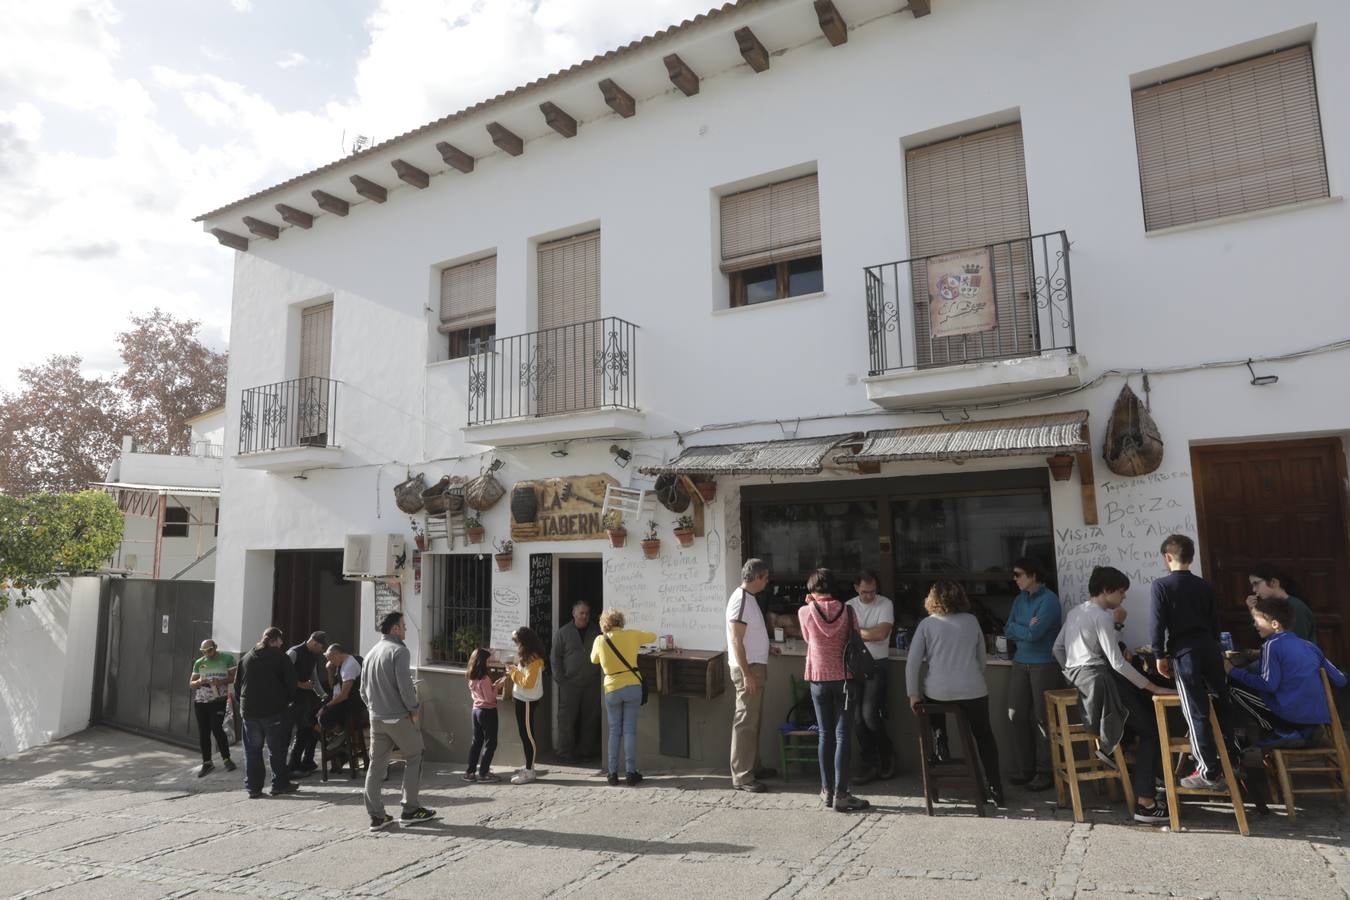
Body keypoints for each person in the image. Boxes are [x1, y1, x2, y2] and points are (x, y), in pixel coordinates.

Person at [1054, 566, 1174, 824]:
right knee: (1151, 731)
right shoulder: (1101, 616)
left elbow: (1058, 648)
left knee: (1138, 717)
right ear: (1107, 591)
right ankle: (1146, 802)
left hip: (1083, 681)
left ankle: (1117, 748)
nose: (1124, 597)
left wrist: (1072, 674)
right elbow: (1117, 662)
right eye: (1121, 592)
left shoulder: (1076, 611)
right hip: (1103, 680)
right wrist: (1153, 688)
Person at [906, 579, 1004, 807]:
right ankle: (995, 787)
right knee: (984, 736)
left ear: (932, 600)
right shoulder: (971, 621)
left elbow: (912, 663)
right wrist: (973, 676)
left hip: (939, 691)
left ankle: (943, 756)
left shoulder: (927, 625)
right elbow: (982, 658)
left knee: (937, 722)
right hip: (973, 689)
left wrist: (913, 693)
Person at [1151, 533, 1238, 790]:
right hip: (1210, 649)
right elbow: (1214, 623)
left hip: (1184, 652)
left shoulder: (1162, 586)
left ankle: (1208, 771)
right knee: (1222, 703)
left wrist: (1158, 654)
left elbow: (1157, 624)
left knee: (1195, 710)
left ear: (1168, 558)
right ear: (1191, 557)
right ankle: (1232, 760)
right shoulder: (1205, 586)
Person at [1227, 595, 1347, 747]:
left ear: (1275, 624)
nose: (1255, 625)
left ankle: (1281, 731)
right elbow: (1341, 680)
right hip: (1318, 718)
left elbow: (1268, 684)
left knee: (1234, 689)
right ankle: (1305, 732)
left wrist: (1232, 671)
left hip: (1289, 717)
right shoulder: (1310, 646)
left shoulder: (1271, 646)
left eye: (1257, 621)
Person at [798, 568, 870, 812]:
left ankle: (826, 791)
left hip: (818, 679)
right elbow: (857, 638)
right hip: (846, 680)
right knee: (842, 736)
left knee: (825, 734)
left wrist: (810, 605)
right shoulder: (849, 611)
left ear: (812, 588)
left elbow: (808, 639)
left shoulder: (805, 612)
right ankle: (842, 793)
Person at [362, 611, 437, 830]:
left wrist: (374, 709)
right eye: (403, 626)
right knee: (415, 755)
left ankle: (376, 815)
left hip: (377, 717)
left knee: (376, 766)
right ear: (395, 628)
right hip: (397, 716)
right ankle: (410, 809)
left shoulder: (371, 653)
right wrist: (414, 708)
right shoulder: (399, 651)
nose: (405, 629)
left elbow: (362, 691)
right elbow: (405, 686)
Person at [1003, 557, 1062, 791]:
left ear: (1033, 575)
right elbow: (1008, 629)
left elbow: (1035, 634)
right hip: (1020, 662)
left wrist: (1025, 629)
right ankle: (1025, 768)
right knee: (1015, 715)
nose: (1014, 579)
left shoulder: (1049, 600)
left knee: (1042, 719)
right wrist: (1025, 627)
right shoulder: (1020, 599)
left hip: (1044, 664)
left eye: (1018, 574)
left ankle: (1045, 771)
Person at [590, 608, 656, 786]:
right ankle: (630, 772)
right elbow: (653, 637)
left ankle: (612, 774)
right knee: (629, 731)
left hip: (612, 688)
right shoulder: (632, 635)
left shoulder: (599, 640)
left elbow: (593, 660)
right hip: (633, 686)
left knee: (614, 731)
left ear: (604, 623)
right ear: (621, 621)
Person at [233, 627, 299, 798]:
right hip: (273, 711)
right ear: (272, 641)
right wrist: (289, 701)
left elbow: (237, 686)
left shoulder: (247, 657)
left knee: (252, 751)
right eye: (279, 640)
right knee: (276, 749)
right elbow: (291, 683)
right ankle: (279, 784)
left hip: (249, 712)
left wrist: (243, 705)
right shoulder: (280, 657)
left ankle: (254, 788)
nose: (282, 643)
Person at [726, 558, 773, 793]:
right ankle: (743, 776)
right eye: (765, 578)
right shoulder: (742, 600)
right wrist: (746, 673)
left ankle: (753, 766)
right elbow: (736, 639)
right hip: (748, 668)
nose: (767, 582)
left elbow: (748, 636)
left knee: (753, 720)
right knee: (745, 721)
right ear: (756, 577)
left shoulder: (748, 599)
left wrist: (766, 648)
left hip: (754, 665)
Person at [846, 570, 895, 783]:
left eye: (873, 591)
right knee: (856, 718)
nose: (869, 596)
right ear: (856, 588)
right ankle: (869, 760)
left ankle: (886, 755)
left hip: (876, 663)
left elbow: (881, 634)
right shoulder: (848, 606)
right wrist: (865, 633)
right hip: (855, 664)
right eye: (865, 592)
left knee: (869, 715)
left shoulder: (885, 603)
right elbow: (845, 635)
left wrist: (856, 633)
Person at [550, 601, 602, 763]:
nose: (584, 616)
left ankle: (586, 751)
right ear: (574, 614)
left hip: (591, 683)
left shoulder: (596, 631)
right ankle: (565, 752)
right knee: (566, 718)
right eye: (581, 613)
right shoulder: (563, 632)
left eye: (586, 613)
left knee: (590, 717)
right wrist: (560, 679)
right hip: (569, 683)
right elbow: (555, 657)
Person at [189, 638, 237, 777]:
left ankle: (226, 758)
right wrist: (199, 681)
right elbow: (191, 683)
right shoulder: (200, 662)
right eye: (203, 651)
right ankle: (207, 762)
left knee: (217, 727)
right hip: (201, 701)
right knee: (203, 732)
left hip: (218, 700)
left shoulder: (227, 658)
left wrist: (220, 681)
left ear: (215, 647)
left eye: (209, 650)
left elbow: (234, 677)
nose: (207, 653)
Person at [507, 626, 547, 785]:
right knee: (524, 735)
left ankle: (530, 771)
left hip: (527, 700)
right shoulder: (527, 657)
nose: (516, 644)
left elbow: (527, 683)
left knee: (527, 736)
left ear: (524, 642)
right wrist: (513, 671)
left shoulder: (534, 660)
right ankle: (528, 767)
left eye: (517, 641)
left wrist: (513, 672)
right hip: (522, 698)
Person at [285, 631, 327, 776]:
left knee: (309, 730)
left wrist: (324, 695)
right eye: (321, 648)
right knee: (299, 733)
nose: (321, 652)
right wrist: (300, 684)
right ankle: (291, 766)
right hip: (291, 701)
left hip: (305, 700)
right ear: (315, 643)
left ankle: (304, 762)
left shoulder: (313, 656)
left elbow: (313, 678)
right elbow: (281, 675)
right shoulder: (294, 653)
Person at [1246, 563, 1317, 644]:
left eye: (1256, 583)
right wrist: (1253, 610)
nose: (1254, 589)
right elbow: (1262, 637)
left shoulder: (1296, 607)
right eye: (1252, 585)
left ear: (1274, 582)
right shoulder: (1268, 607)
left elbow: (1298, 644)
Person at [463, 647, 502, 782]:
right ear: (482, 662)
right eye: (487, 660)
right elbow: (489, 698)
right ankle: (484, 773)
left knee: (477, 742)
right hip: (487, 711)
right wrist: (497, 686)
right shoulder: (484, 679)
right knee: (491, 743)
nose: (489, 663)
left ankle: (470, 772)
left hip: (476, 711)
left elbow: (480, 695)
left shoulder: (471, 677)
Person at [319, 643, 366, 731]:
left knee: (324, 717)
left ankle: (342, 734)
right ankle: (331, 736)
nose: (331, 663)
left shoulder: (349, 666)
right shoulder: (341, 664)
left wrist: (326, 706)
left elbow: (344, 695)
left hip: (351, 702)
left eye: (331, 659)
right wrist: (330, 670)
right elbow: (333, 686)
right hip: (341, 698)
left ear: (336, 654)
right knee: (313, 712)